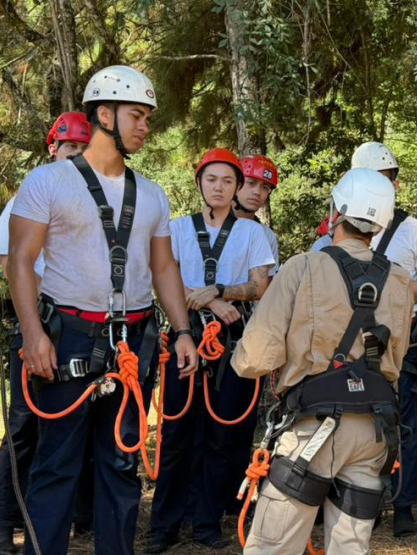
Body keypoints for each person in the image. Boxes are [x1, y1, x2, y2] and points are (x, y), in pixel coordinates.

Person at [8, 65, 198, 555]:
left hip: (132, 342)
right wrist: (33, 334)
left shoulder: (153, 194)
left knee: (121, 463)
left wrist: (182, 331)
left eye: (148, 118)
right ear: (104, 113)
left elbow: (164, 268)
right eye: (137, 115)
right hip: (67, 334)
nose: (144, 127)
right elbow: (21, 261)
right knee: (56, 464)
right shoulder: (48, 181)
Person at [231, 168, 414, 554]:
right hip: (375, 433)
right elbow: (394, 360)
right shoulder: (399, 280)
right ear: (379, 224)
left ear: (336, 212)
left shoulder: (304, 267)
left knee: (272, 547)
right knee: (350, 547)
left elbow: (255, 358)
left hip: (313, 431)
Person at [311, 141, 417, 536]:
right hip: (342, 338)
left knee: (401, 421)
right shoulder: (330, 236)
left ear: (395, 183)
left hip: (397, 336)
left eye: (382, 180)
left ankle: (403, 502)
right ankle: (332, 496)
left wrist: (387, 292)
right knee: (334, 414)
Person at [146, 149, 274, 552]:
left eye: (227, 181)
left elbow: (258, 287)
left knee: (223, 433)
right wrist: (208, 302)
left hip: (230, 345)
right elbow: (162, 280)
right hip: (185, 337)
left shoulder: (253, 234)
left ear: (236, 188)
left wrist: (220, 291)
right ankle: (163, 524)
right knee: (177, 431)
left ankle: (207, 521)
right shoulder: (178, 229)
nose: (219, 188)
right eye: (212, 180)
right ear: (200, 183)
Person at [0, 111, 92, 555]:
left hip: (84, 331)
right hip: (40, 324)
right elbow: (9, 261)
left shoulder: (98, 203)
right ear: (53, 148)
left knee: (76, 427)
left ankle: (67, 521)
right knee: (24, 427)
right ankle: (6, 526)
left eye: (84, 149)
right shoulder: (32, 194)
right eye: (70, 147)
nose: (77, 156)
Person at [235, 154, 280, 271]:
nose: (257, 192)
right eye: (251, 183)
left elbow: (267, 286)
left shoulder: (267, 236)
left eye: (265, 187)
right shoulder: (207, 226)